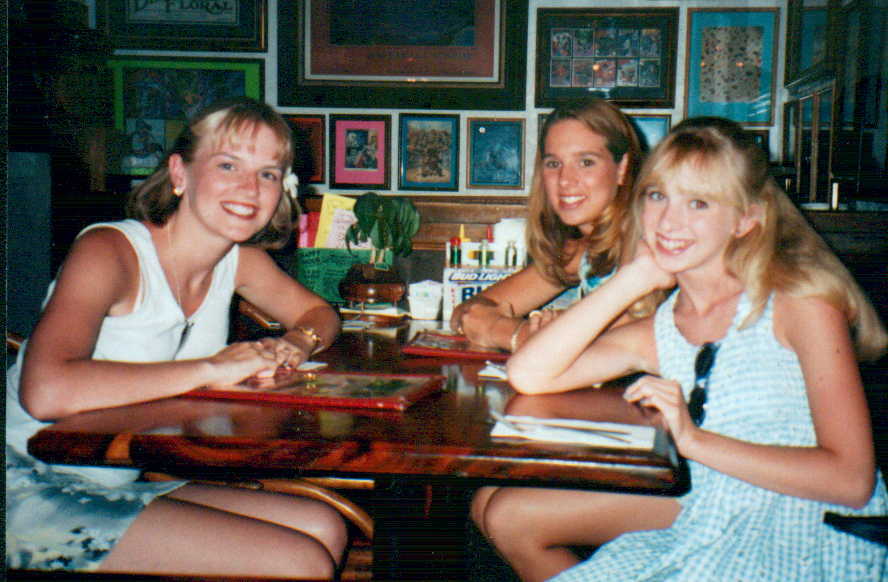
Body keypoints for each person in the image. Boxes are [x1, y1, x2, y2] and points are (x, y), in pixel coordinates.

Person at [492, 118, 888, 581]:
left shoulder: (798, 304)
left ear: (747, 218)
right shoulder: (667, 324)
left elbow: (851, 481)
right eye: (658, 195)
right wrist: (634, 278)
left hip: (803, 533)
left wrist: (694, 441)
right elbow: (530, 373)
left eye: (698, 202)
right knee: (509, 515)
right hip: (715, 516)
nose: (668, 221)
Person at [6, 97, 348, 579]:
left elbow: (319, 313)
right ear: (180, 173)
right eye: (228, 165)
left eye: (269, 173)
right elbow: (44, 393)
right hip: (25, 479)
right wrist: (214, 369)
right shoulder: (109, 250)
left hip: (113, 476)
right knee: (300, 562)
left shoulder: (236, 259)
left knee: (324, 526)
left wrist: (298, 342)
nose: (250, 187)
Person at [450, 99, 642, 352]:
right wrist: (509, 328)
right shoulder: (585, 251)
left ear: (622, 168)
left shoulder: (648, 247)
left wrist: (508, 332)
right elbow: (467, 311)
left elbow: (612, 349)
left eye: (585, 162)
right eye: (554, 163)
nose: (565, 180)